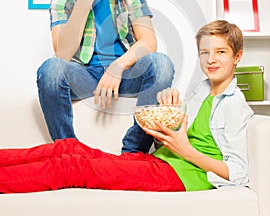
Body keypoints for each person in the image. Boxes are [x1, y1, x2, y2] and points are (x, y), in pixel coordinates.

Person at [0, 20, 254, 193]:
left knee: (71, 167)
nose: (211, 60)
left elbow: (239, 173)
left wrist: (185, 149)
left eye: (221, 52)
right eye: (204, 53)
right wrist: (169, 118)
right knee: (68, 147)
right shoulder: (201, 90)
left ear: (237, 56)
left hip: (182, 176)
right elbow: (177, 139)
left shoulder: (235, 106)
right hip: (159, 161)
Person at [36, 0, 174, 153]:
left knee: (162, 65)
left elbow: (148, 41)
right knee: (50, 70)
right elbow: (62, 53)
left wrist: (117, 68)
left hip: (125, 72)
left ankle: (134, 150)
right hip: (85, 74)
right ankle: (69, 151)